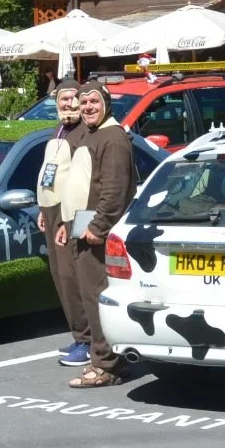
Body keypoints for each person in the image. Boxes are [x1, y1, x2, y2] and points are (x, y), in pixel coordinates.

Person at [66, 84, 138, 388]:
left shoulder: (114, 138)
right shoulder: (91, 134)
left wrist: (99, 226)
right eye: (84, 102)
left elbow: (115, 190)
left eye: (94, 101)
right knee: (90, 295)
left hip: (98, 233)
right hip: (82, 229)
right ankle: (102, 357)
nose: (88, 107)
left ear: (106, 104)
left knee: (99, 299)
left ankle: (107, 365)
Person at [35, 81, 94, 367]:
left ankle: (87, 340)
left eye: (73, 99)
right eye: (63, 100)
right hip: (51, 211)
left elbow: (80, 183)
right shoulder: (58, 129)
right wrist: (43, 208)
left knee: (72, 276)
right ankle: (77, 333)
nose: (68, 105)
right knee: (60, 277)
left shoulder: (84, 133)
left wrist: (64, 220)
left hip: (69, 213)